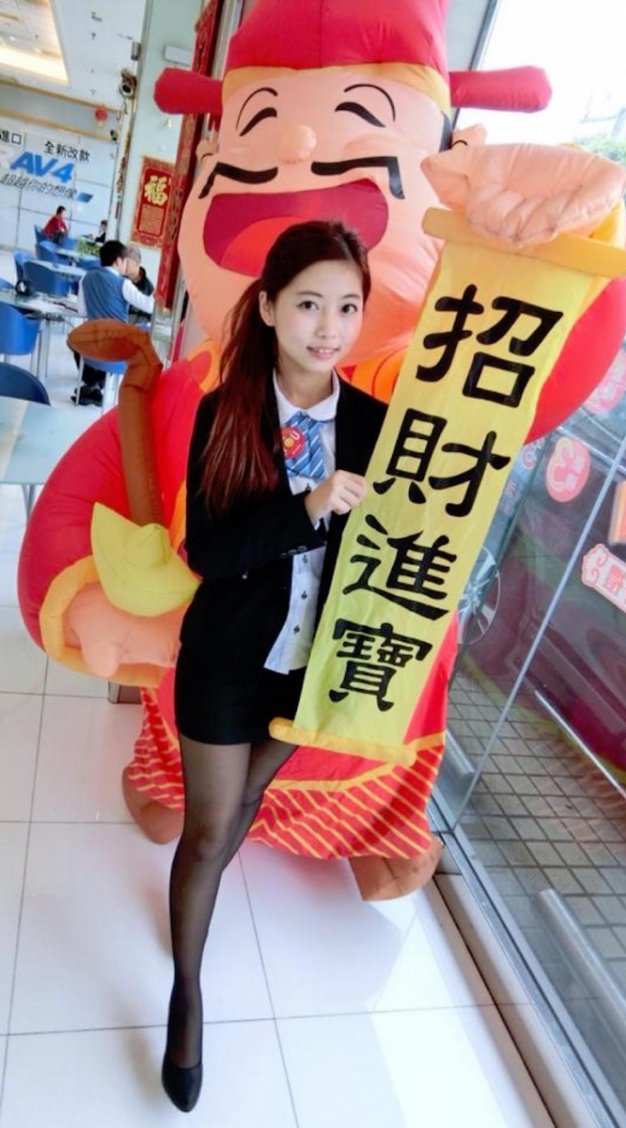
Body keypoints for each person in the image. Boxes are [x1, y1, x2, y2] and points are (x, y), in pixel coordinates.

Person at [161, 220, 386, 1112]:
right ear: (268, 307)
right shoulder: (227, 412)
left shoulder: (374, 425)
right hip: (226, 658)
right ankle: (187, 994)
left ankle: (197, 909)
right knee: (210, 829)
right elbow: (210, 554)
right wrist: (308, 505)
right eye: (309, 305)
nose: (329, 328)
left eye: (347, 307)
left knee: (251, 798)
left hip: (312, 668)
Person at [72, 239, 155, 405]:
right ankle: (96, 386)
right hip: (116, 350)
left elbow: (82, 312)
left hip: (91, 345)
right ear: (118, 261)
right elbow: (149, 306)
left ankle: (92, 385)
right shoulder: (123, 284)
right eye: (125, 261)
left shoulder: (86, 278)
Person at [124, 246, 155, 320]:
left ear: (137, 263)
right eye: (123, 262)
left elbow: (150, 316)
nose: (124, 265)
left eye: (127, 263)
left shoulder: (148, 288)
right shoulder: (119, 280)